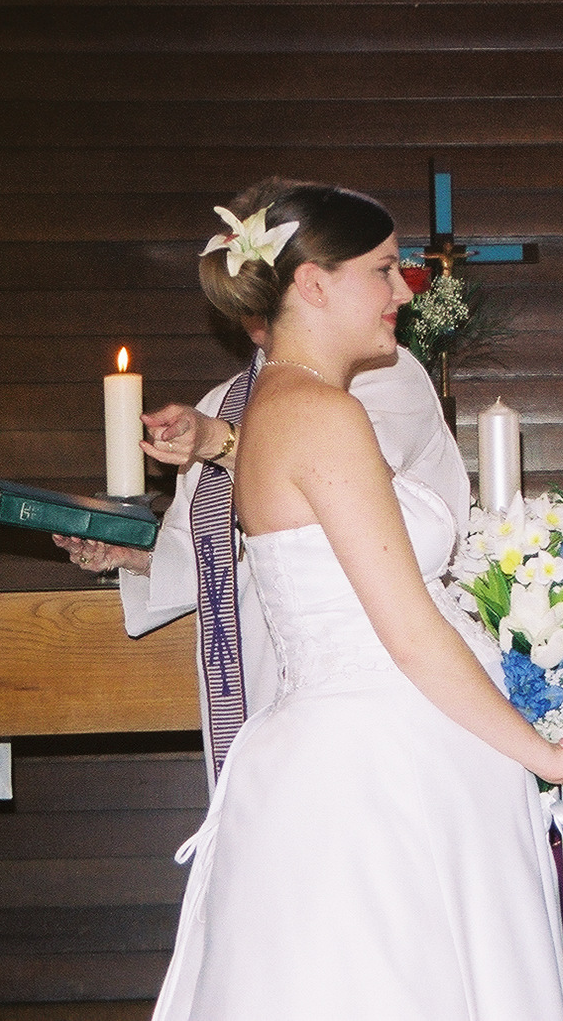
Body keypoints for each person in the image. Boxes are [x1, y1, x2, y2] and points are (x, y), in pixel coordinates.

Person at [148, 179, 563, 1020]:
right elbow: (412, 634)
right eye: (384, 269)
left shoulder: (282, 406)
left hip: (373, 744)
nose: (404, 291)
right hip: (379, 763)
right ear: (313, 284)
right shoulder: (320, 413)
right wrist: (544, 755)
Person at [56, 329, 467, 787]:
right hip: (259, 672)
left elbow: (345, 489)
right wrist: (136, 554)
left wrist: (222, 442)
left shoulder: (383, 375)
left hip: (374, 676)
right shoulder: (220, 403)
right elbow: (204, 556)